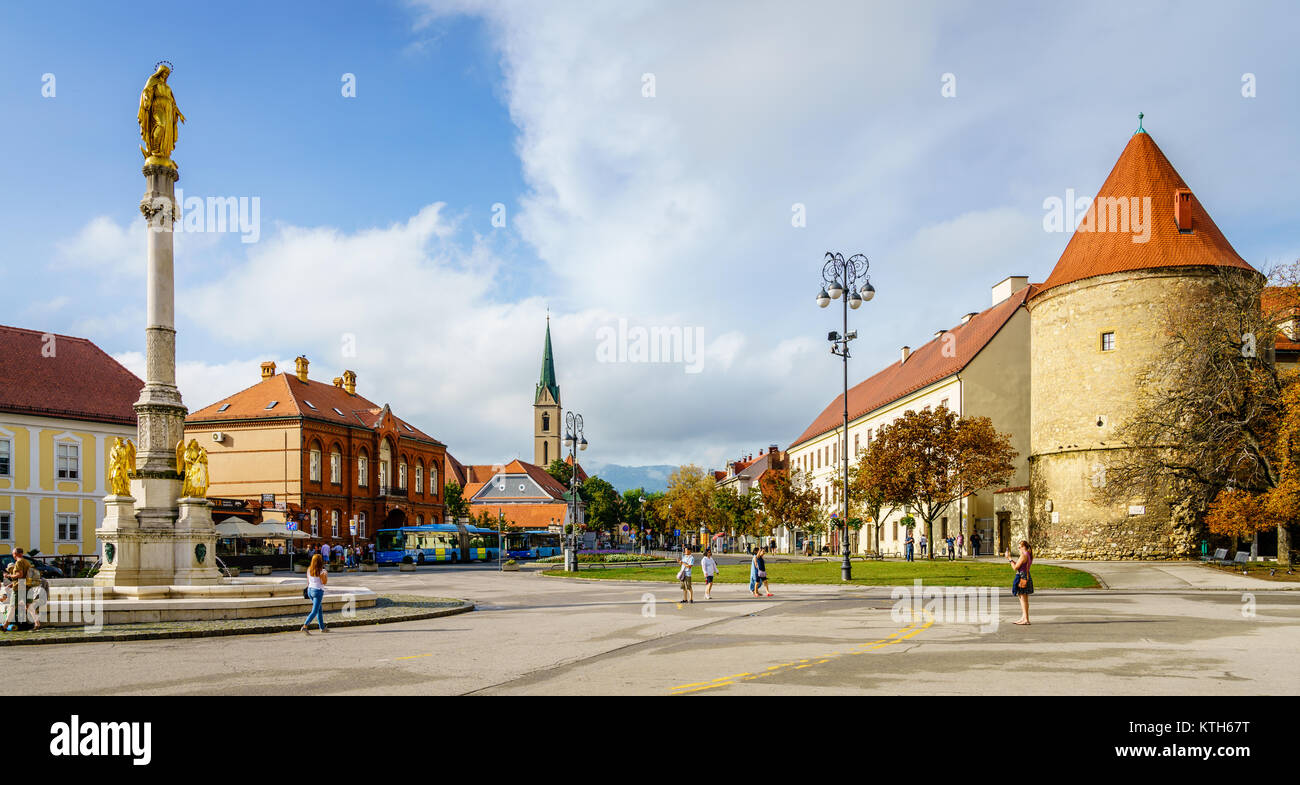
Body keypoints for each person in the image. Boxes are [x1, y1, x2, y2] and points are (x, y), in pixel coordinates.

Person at [301, 553, 330, 634]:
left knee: (319, 610)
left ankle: (322, 628)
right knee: (314, 611)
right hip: (318, 591)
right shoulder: (321, 571)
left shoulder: (309, 569)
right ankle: (305, 626)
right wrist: (325, 575)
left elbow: (308, 581)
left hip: (310, 590)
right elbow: (324, 582)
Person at [1007, 539, 1033, 625]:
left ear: (1023, 547)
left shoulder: (1023, 556)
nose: (1018, 548)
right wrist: (1012, 561)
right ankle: (1024, 617)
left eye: (1019, 547)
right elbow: (1019, 565)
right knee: (1023, 598)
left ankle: (1026, 619)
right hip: (1026, 575)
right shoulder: (1028, 555)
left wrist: (1009, 559)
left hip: (1022, 577)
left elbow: (1015, 568)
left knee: (1023, 599)